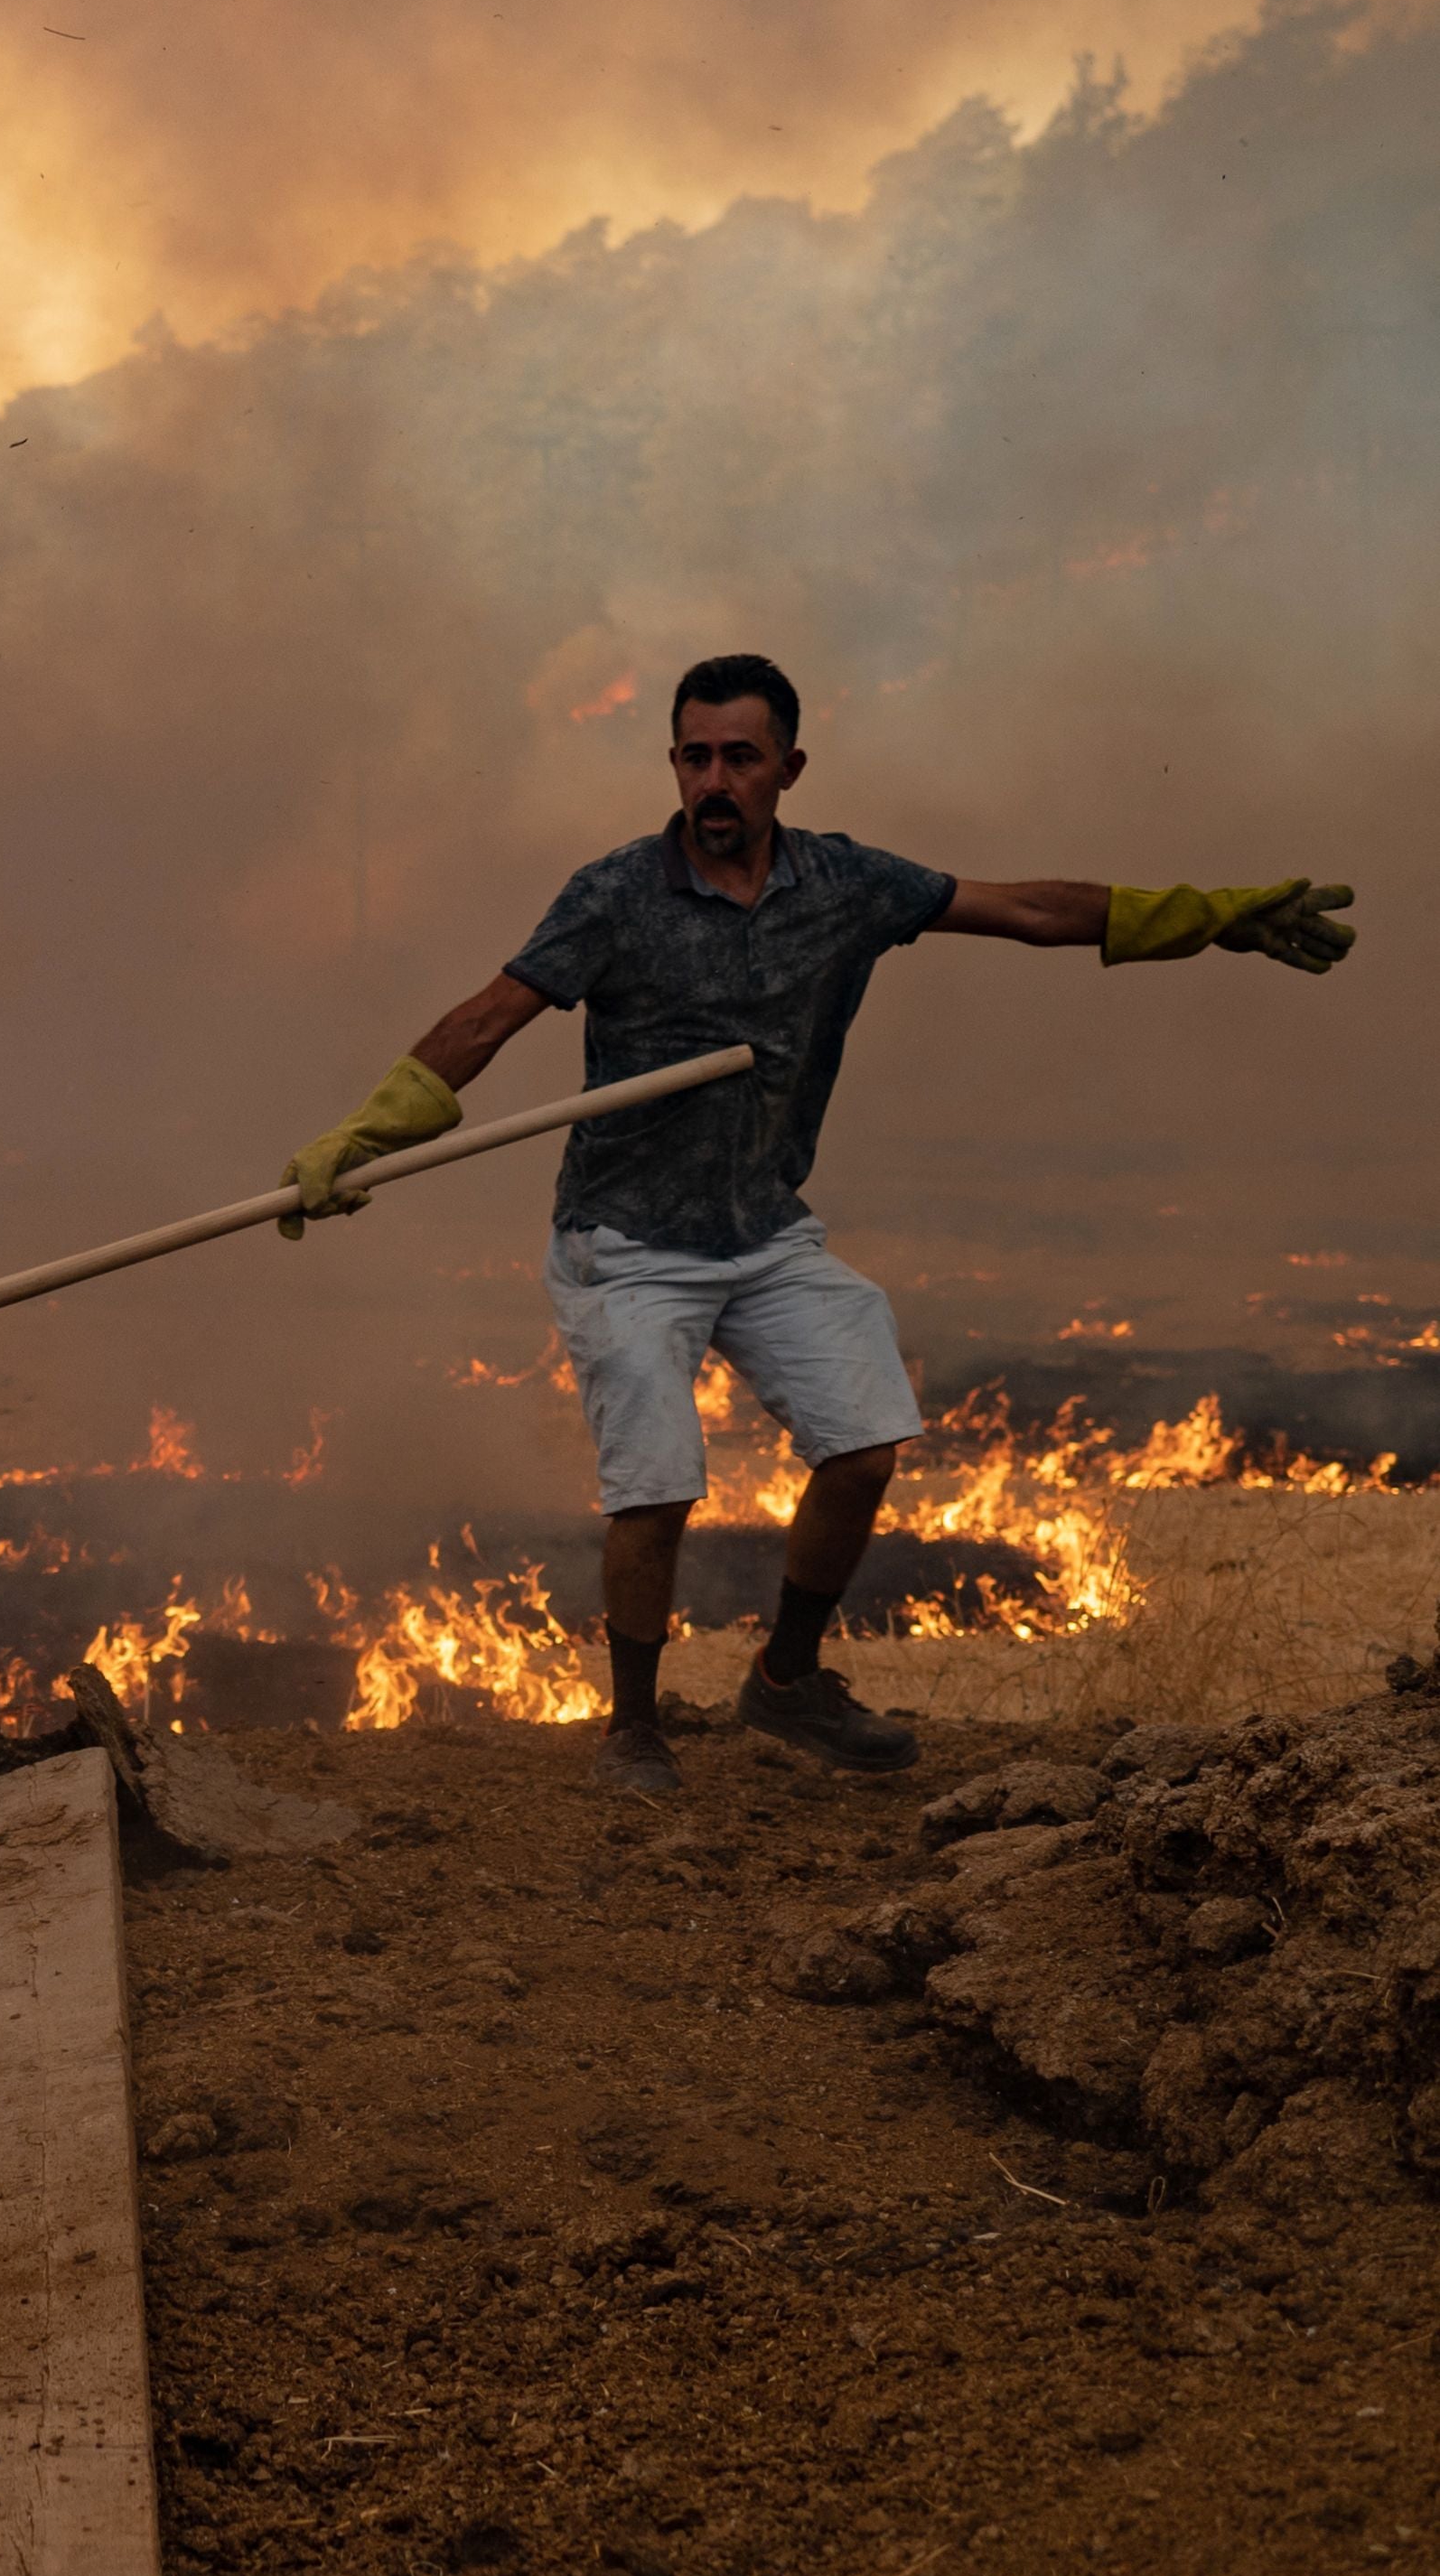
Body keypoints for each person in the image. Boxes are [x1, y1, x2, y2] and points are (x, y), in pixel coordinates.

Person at [281, 655, 1351, 1796]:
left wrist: (1212, 917)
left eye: (739, 758)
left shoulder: (846, 886)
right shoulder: (614, 895)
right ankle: (631, 1728)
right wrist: (361, 1137)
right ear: (672, 765)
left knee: (862, 1440)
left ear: (786, 769)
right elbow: (488, 1016)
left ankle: (785, 1682)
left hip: (762, 1229)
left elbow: (1028, 910)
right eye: (694, 756)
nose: (714, 781)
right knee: (654, 1484)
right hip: (626, 1245)